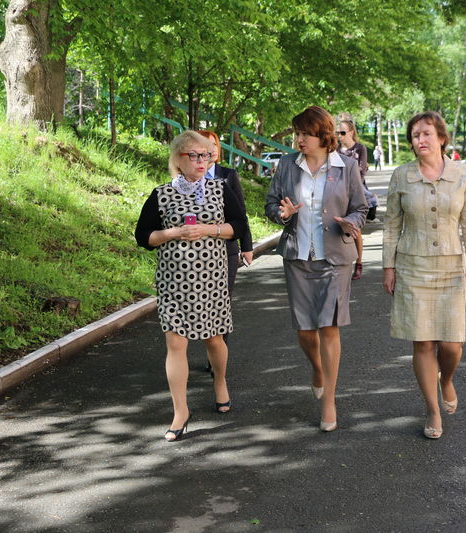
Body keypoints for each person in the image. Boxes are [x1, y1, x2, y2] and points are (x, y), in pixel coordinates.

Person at [135, 130, 248, 442]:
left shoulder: (221, 189)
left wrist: (208, 229)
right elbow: (143, 236)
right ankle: (180, 411)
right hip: (173, 282)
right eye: (194, 155)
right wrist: (173, 233)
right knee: (175, 343)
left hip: (211, 279)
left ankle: (220, 382)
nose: (202, 161)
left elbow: (239, 226)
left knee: (214, 339)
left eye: (206, 155)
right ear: (178, 159)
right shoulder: (161, 194)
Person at [265, 106, 368, 432]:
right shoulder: (286, 165)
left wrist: (350, 222)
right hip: (298, 256)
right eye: (297, 133)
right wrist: (282, 214)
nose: (299, 139)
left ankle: (329, 402)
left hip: (335, 257)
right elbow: (271, 204)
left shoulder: (346, 166)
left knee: (330, 327)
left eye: (306, 134)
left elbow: (361, 207)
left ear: (323, 136)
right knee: (305, 331)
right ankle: (317, 368)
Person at [382, 111, 466, 440]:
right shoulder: (402, 176)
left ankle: (446, 379)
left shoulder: (462, 174)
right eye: (415, 135)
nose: (420, 140)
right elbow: (392, 225)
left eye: (426, 133)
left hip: (451, 267)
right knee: (423, 341)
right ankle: (432, 409)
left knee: (452, 344)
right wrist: (388, 267)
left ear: (441, 137)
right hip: (412, 266)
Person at [197, 130, 253, 373]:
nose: (211, 149)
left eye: (214, 144)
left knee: (221, 304)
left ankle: (218, 358)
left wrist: (246, 246)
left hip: (226, 250)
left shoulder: (228, 176)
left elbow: (240, 213)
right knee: (201, 303)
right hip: (196, 252)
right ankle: (211, 347)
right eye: (205, 145)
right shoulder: (187, 177)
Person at [336, 119, 374, 280]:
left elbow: (361, 171)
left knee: (355, 228)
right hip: (338, 192)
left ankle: (358, 263)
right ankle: (340, 263)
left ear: (351, 132)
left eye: (342, 132)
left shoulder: (360, 148)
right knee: (336, 227)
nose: (339, 136)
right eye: (337, 133)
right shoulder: (335, 150)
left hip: (355, 191)